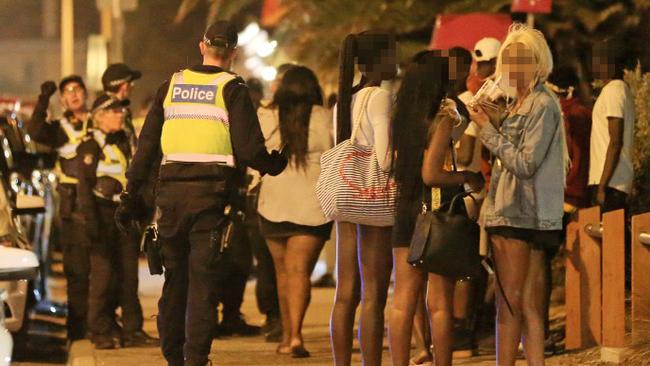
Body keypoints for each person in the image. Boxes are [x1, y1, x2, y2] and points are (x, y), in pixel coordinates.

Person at [115, 21, 287, 366]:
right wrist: (276, 163)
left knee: (175, 280)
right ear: (234, 54)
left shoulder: (172, 85)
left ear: (201, 46)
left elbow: (146, 147)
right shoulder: (232, 88)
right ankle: (195, 359)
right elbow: (250, 150)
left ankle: (173, 357)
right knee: (204, 283)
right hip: (211, 198)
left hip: (171, 198)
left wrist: (131, 194)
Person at [468, 23, 568, 366]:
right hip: (517, 212)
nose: (511, 67)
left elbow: (524, 163)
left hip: (520, 215)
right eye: (508, 60)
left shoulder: (541, 103)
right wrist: (493, 122)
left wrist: (487, 131)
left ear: (537, 62)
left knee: (514, 305)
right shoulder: (520, 102)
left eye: (520, 59)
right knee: (524, 305)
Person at [388, 51, 484, 366]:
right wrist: (466, 176)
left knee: (402, 300)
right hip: (434, 211)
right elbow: (431, 174)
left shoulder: (399, 117)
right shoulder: (440, 119)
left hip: (404, 207)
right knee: (439, 303)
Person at [256, 65, 333, 358]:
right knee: (300, 272)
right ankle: (297, 335)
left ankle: (287, 336)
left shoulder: (267, 118)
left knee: (283, 274)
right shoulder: (324, 118)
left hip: (273, 203)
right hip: (312, 206)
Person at [330, 31, 397, 366]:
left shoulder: (345, 99)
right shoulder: (379, 97)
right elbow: (384, 158)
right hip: (372, 199)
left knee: (345, 293)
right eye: (392, 54)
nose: (396, 61)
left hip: (347, 197)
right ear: (379, 59)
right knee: (373, 294)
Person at [76, 94, 155, 349]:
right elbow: (85, 188)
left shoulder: (124, 141)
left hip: (124, 214)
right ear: (100, 116)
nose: (121, 114)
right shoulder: (90, 145)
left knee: (129, 276)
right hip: (101, 214)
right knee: (102, 277)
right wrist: (91, 221)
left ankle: (132, 329)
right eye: (114, 111)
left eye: (122, 110)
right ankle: (99, 329)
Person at [27, 75, 92, 341]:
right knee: (77, 273)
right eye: (67, 92)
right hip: (73, 208)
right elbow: (35, 130)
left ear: (85, 94)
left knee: (104, 272)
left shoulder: (97, 122)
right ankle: (78, 329)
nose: (73, 95)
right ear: (62, 99)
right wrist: (43, 99)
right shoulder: (60, 128)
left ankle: (101, 323)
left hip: (99, 207)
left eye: (77, 90)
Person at [545, 65, 592, 355]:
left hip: (560, 195)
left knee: (542, 265)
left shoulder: (561, 115)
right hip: (579, 195)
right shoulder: (583, 113)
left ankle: (542, 333)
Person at [588, 38, 635, 213]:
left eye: (596, 58)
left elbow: (615, 142)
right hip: (609, 182)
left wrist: (602, 186)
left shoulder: (614, 91)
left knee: (610, 237)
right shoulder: (616, 90)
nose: (593, 64)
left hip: (610, 184)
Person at [102, 63, 142, 153]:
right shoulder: (106, 112)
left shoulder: (102, 109)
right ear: (124, 86)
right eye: (131, 83)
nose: (133, 86)